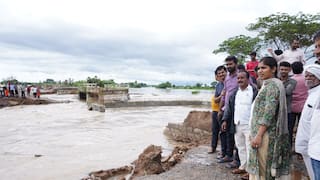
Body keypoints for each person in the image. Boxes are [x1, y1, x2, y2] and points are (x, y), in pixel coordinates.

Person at [247, 57, 290, 180]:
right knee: (261, 168)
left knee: (264, 169)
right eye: (259, 68)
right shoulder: (267, 84)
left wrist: (259, 135)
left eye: (263, 68)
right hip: (260, 132)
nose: (260, 71)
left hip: (266, 135)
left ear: (273, 69)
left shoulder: (272, 85)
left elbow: (268, 113)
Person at [221, 70, 258, 180]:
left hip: (250, 125)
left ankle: (251, 172)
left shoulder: (254, 91)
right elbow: (229, 108)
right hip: (237, 124)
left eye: (242, 78)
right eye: (238, 78)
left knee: (250, 148)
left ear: (248, 79)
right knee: (240, 147)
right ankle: (243, 167)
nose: (240, 80)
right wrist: (225, 120)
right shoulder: (234, 93)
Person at [217, 56, 239, 164]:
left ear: (235, 63)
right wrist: (220, 109)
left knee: (235, 133)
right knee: (226, 132)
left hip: (237, 109)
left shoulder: (241, 76)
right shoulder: (227, 78)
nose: (229, 66)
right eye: (227, 64)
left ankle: (236, 159)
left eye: (230, 64)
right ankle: (228, 155)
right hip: (226, 109)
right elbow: (224, 95)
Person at [305, 64, 320, 180]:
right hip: (313, 146)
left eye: (312, 76)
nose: (308, 78)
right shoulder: (312, 93)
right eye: (307, 76)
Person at [209, 65, 227, 154]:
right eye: (219, 73)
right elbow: (216, 100)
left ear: (226, 72)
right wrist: (221, 96)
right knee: (215, 130)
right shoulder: (218, 85)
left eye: (223, 72)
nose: (221, 74)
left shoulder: (230, 83)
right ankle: (213, 147)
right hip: (216, 111)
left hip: (226, 111)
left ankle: (225, 151)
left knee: (224, 132)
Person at [279, 61, 297, 147]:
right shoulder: (275, 79)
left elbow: (287, 92)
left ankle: (288, 151)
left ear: (289, 70)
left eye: (286, 69)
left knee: (288, 132)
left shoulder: (293, 81)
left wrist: (277, 86)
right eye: (282, 69)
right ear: (279, 69)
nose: (283, 71)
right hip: (276, 110)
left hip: (287, 111)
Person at [291, 62, 308, 141]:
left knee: (290, 127)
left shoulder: (291, 80)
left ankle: (290, 145)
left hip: (292, 106)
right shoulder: (306, 78)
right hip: (304, 106)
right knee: (303, 127)